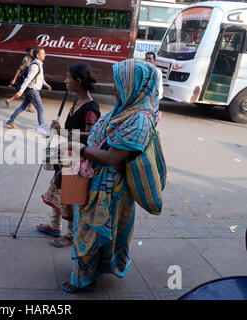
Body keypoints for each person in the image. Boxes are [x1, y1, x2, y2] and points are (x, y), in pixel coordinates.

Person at [59, 59, 161, 293]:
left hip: (111, 191)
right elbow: (101, 138)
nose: (114, 87)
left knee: (90, 233)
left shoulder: (140, 120)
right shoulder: (125, 109)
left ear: (133, 86)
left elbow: (111, 158)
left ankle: (83, 280)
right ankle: (90, 273)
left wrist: (78, 149)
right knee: (89, 231)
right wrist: (71, 139)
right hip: (98, 183)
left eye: (119, 82)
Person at [37, 63, 101, 248]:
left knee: (71, 195)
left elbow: (91, 136)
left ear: (78, 81)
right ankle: (55, 225)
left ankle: (70, 234)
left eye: (68, 78)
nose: (65, 81)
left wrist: (63, 132)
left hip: (77, 158)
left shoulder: (91, 108)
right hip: (65, 153)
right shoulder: (76, 102)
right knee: (58, 188)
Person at [6, 47, 52, 130]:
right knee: (40, 109)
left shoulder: (38, 64)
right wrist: (20, 91)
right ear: (38, 55)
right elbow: (28, 79)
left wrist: (46, 85)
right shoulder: (35, 66)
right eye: (43, 53)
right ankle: (42, 128)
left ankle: (10, 121)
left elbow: (40, 78)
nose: (45, 54)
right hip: (33, 91)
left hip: (31, 90)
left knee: (23, 107)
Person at [6, 45, 35, 113]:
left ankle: (9, 100)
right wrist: (14, 79)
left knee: (28, 92)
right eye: (31, 51)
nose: (32, 52)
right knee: (29, 92)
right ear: (27, 52)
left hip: (29, 78)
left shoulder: (32, 58)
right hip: (25, 78)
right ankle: (10, 100)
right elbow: (19, 69)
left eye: (33, 51)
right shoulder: (26, 60)